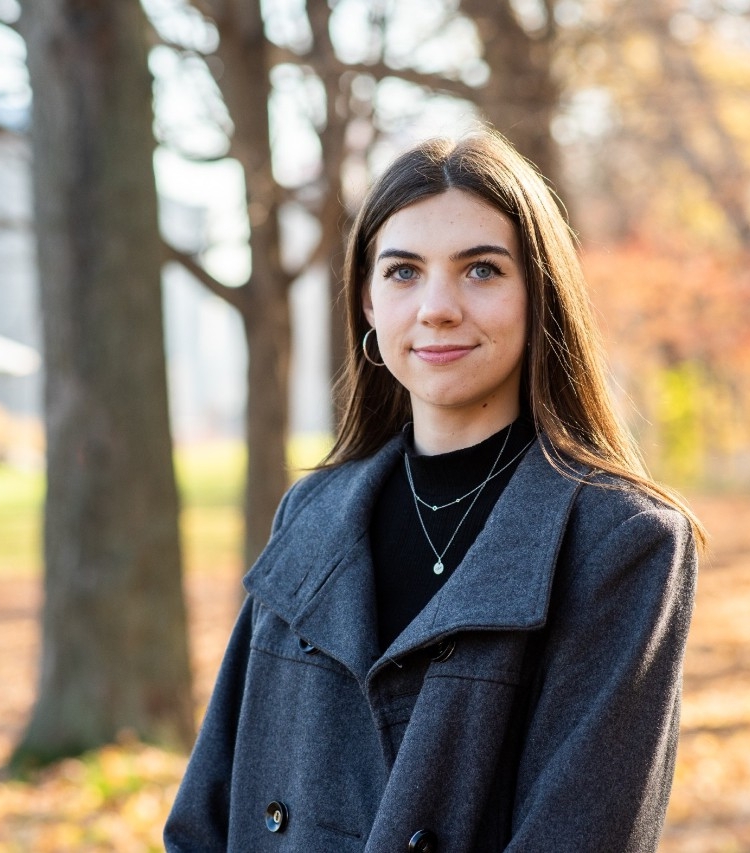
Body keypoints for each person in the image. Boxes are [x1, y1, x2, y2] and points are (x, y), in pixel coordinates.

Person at [164, 130, 704, 853]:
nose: (438, 306)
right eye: (403, 272)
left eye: (481, 270)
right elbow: (205, 814)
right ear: (366, 301)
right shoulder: (312, 512)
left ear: (538, 293)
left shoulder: (623, 540)